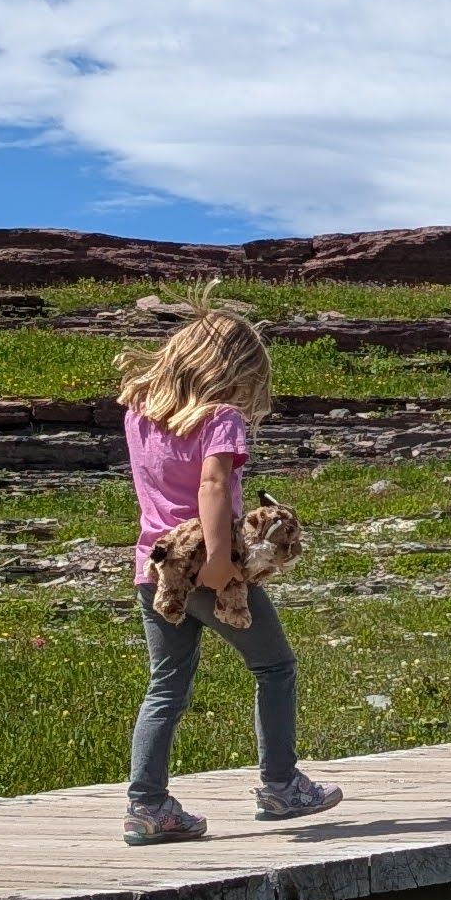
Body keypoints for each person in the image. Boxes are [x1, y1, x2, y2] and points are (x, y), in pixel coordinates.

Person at [115, 311, 341, 842]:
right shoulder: (221, 418)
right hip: (206, 567)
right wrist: (220, 560)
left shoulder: (139, 414)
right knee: (275, 666)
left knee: (166, 685)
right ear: (233, 368)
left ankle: (146, 806)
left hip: (155, 564)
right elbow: (212, 485)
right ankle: (282, 787)